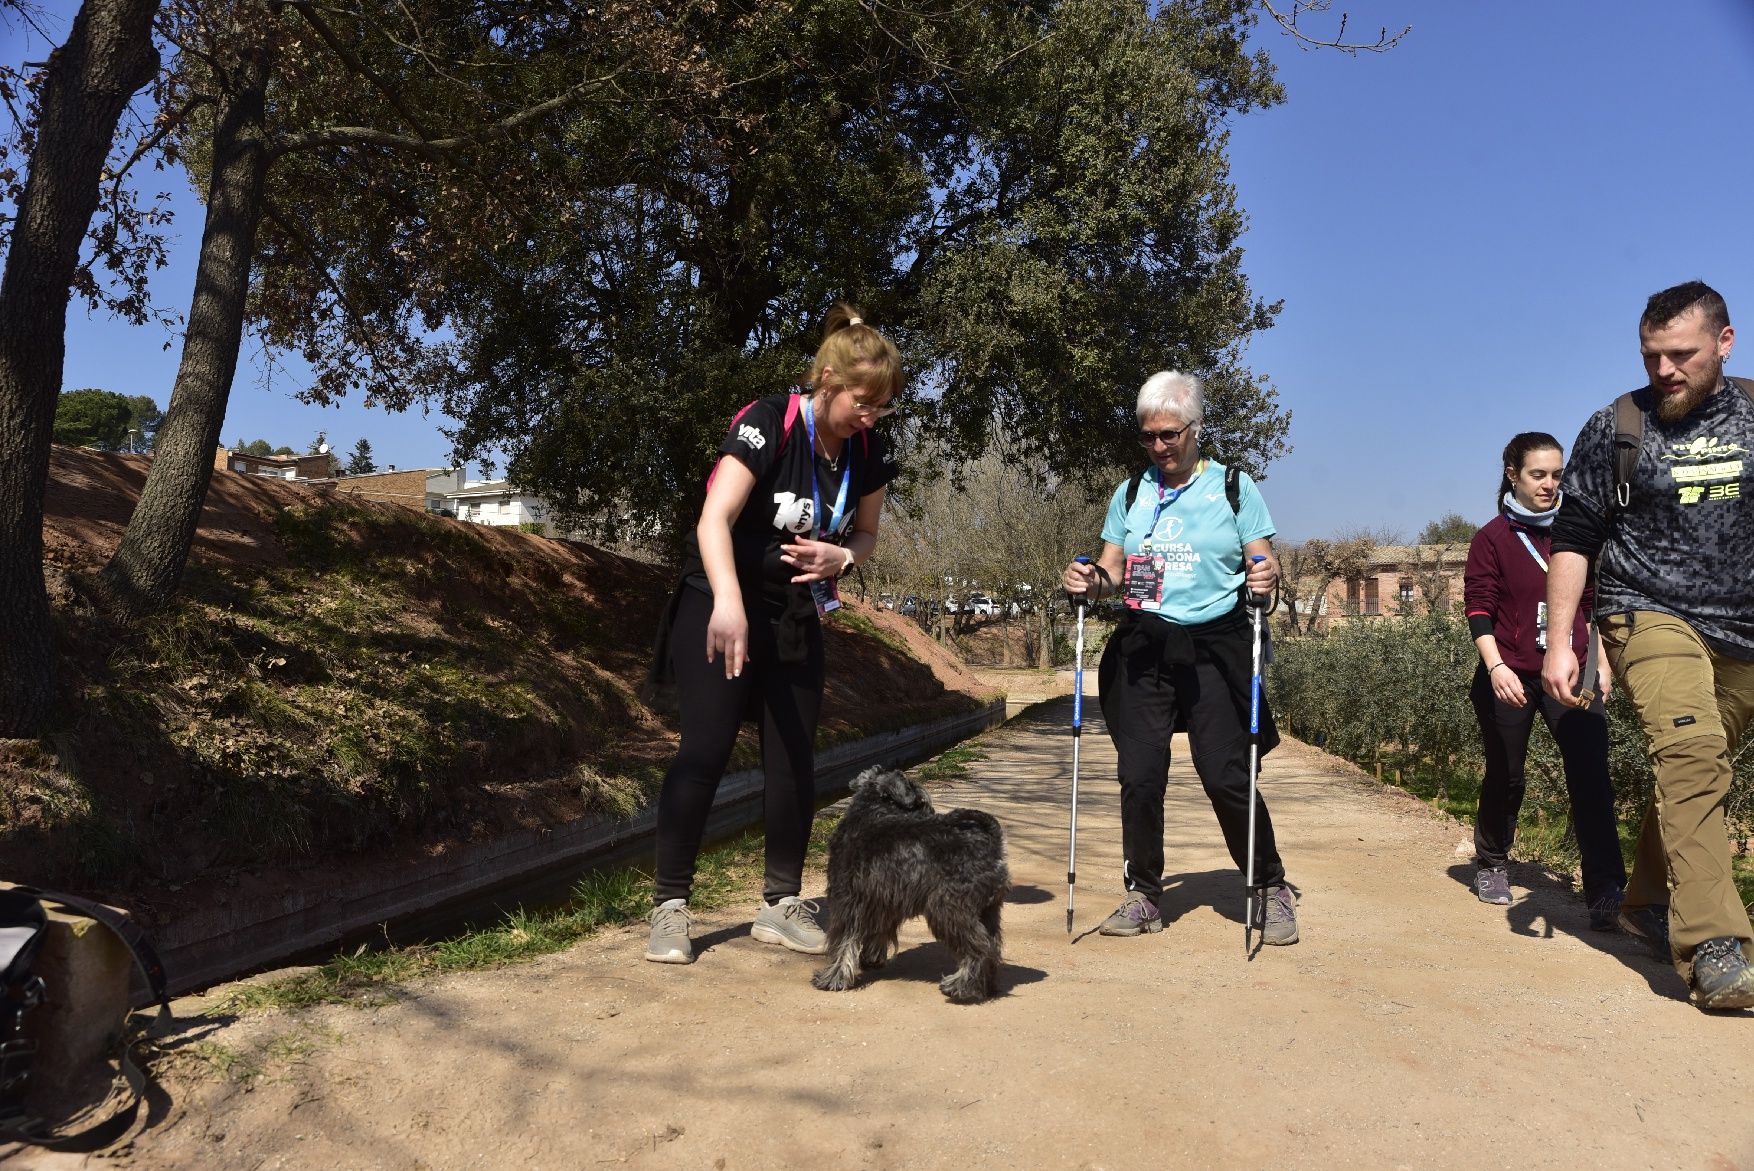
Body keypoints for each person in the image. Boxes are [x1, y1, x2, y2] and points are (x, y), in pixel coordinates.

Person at [644, 303, 901, 965]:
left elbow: (866, 533)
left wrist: (844, 558)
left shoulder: (868, 450)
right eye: (862, 402)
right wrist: (728, 599)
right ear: (826, 380)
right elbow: (712, 520)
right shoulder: (769, 422)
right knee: (705, 751)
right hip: (721, 601)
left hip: (792, 615)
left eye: (882, 406)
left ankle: (781, 904)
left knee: (793, 757)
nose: (870, 416)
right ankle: (670, 906)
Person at [1542, 280, 1754, 1011]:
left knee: (1702, 768)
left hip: (1742, 632)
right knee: (1692, 755)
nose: (1664, 370)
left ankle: (1646, 897)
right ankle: (1717, 948)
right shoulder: (1617, 426)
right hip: (1646, 613)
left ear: (1724, 343)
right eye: (1651, 355)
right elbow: (1574, 538)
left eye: (1682, 355)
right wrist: (1562, 642)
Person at [1061, 370, 1297, 943]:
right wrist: (1090, 581)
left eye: (1169, 434)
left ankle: (1269, 884)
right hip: (1145, 644)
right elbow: (1113, 571)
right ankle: (1143, 893)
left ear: (1195, 428)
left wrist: (1266, 577)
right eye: (1148, 436)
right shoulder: (1132, 493)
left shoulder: (1235, 487)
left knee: (1225, 774)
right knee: (1140, 775)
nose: (1159, 447)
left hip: (1216, 646)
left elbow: (1265, 563)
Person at [1463, 433, 1625, 923]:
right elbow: (1479, 609)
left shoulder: (1579, 531)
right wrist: (1496, 668)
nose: (1550, 485)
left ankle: (1605, 889)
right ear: (1513, 473)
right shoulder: (1492, 538)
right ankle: (1492, 862)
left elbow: (1596, 603)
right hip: (1509, 673)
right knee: (1507, 775)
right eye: (1539, 475)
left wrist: (1602, 661)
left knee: (1591, 773)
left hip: (1571, 671)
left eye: (1557, 475)